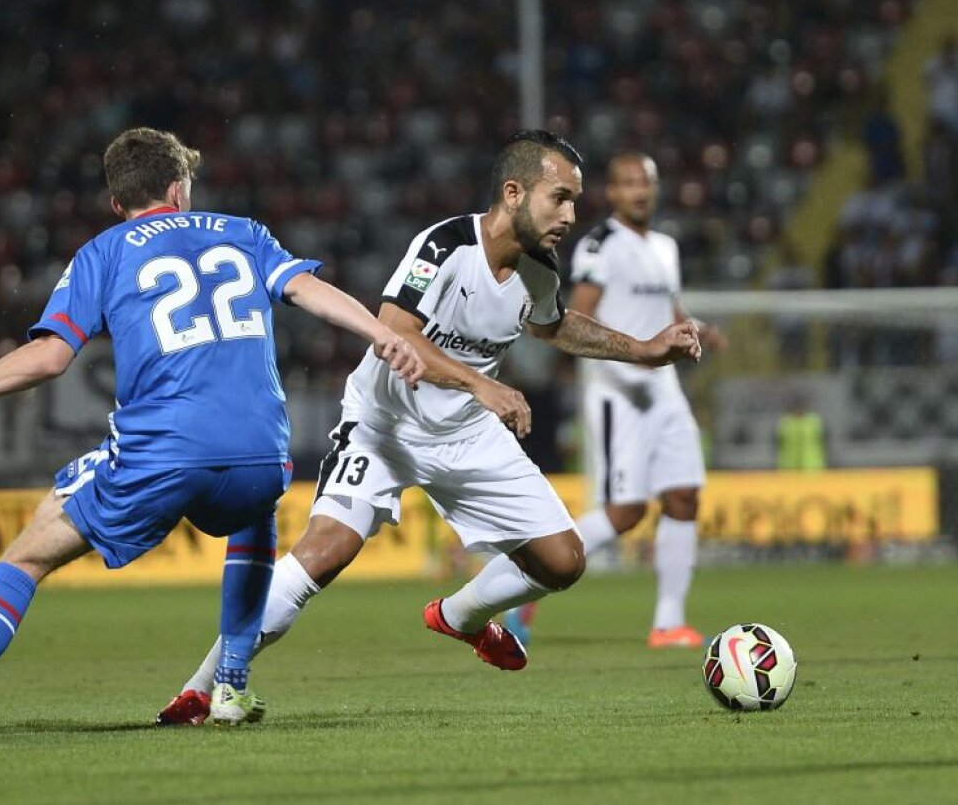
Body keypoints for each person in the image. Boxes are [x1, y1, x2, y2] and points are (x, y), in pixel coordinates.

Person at [0, 127, 423, 741]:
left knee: (24, 557)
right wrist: (381, 333)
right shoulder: (244, 231)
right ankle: (232, 684)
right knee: (254, 513)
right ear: (178, 187)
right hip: (265, 453)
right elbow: (306, 289)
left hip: (163, 454)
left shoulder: (104, 251)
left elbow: (49, 360)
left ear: (117, 203)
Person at [156, 130, 701, 725]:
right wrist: (480, 382)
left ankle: (460, 618)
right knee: (325, 551)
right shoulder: (444, 246)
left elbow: (554, 326)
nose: (570, 215)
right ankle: (201, 689)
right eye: (560, 198)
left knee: (564, 561)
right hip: (383, 426)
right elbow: (395, 330)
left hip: (466, 433)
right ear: (514, 192)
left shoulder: (539, 267)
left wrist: (644, 349)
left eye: (575, 201)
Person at [507, 152, 726, 650]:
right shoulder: (601, 245)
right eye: (628, 184)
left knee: (685, 495)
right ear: (612, 193)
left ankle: (669, 623)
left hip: (665, 390)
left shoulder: (666, 248)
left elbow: (666, 306)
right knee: (626, 512)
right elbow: (576, 315)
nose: (639, 192)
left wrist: (698, 329)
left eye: (645, 183)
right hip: (619, 392)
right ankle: (530, 567)